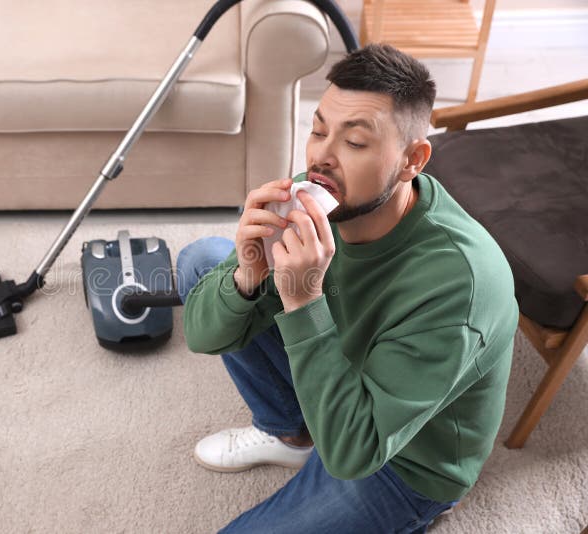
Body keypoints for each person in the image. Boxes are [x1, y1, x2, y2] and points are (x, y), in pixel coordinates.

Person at [177, 44, 517, 533]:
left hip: (401, 459)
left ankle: (418, 509)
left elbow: (354, 454)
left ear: (412, 160)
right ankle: (291, 432)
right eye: (317, 130)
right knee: (205, 263)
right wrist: (249, 274)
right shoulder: (319, 192)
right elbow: (203, 337)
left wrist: (302, 299)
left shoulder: (460, 285)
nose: (321, 158)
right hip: (342, 377)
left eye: (355, 143)